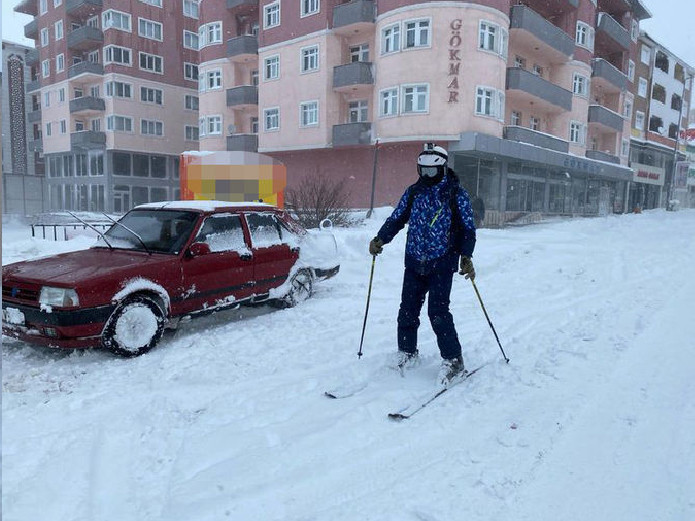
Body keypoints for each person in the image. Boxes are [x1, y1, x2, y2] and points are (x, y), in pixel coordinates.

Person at [369, 144, 477, 386]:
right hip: (415, 261)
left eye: (431, 172)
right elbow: (397, 218)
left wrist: (466, 255)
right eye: (422, 171)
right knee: (407, 309)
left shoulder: (456, 194)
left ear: (442, 169)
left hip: (442, 261)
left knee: (437, 313)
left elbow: (468, 229)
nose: (426, 177)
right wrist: (380, 238)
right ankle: (407, 351)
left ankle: (454, 360)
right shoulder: (414, 192)